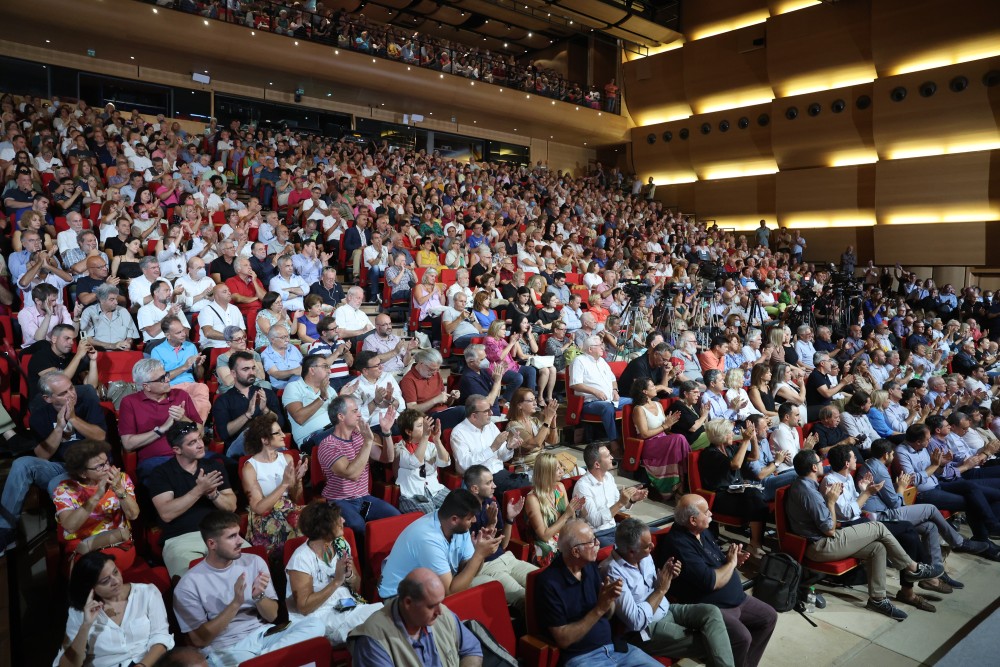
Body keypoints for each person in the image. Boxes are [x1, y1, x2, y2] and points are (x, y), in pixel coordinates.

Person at [785, 449, 942, 621]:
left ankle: (878, 599)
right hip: (820, 545)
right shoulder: (809, 492)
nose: (824, 464)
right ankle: (913, 568)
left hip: (824, 540)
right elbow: (829, 528)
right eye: (820, 462)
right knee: (878, 528)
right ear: (814, 467)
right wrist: (831, 501)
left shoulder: (804, 484)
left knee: (878, 547)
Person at [172, 511, 326, 667]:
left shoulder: (254, 562)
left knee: (315, 625)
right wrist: (235, 604)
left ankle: (262, 661)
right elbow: (199, 640)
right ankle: (274, 661)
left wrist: (259, 597)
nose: (240, 541)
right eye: (232, 537)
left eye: (239, 534)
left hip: (263, 636)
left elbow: (274, 617)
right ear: (212, 544)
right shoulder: (187, 585)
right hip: (228, 649)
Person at [655, 495, 776, 667]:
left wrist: (731, 560)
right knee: (742, 638)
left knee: (768, 617)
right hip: (712, 607)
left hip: (736, 598)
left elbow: (717, 562)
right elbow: (711, 582)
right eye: (706, 512)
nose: (711, 513)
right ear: (693, 520)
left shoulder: (702, 532)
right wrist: (732, 563)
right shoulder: (679, 544)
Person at [0, 371, 107, 555]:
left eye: (71, 388)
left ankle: (74, 534)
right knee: (22, 463)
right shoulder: (39, 416)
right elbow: (42, 455)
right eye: (63, 393)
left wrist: (73, 418)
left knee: (55, 484)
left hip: (90, 467)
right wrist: (59, 427)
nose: (71, 395)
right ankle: (6, 531)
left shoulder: (88, 404)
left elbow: (100, 436)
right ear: (47, 398)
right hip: (59, 466)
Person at [602, 518, 734, 666]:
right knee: (711, 642)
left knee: (711, 612)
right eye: (647, 546)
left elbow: (654, 587)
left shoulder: (643, 556)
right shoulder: (613, 572)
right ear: (632, 551)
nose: (652, 546)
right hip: (647, 630)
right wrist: (661, 589)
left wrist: (667, 576)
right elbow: (636, 622)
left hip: (667, 608)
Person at [535, 518, 661, 667]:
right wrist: (600, 608)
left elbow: (607, 613)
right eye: (591, 542)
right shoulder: (549, 583)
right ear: (576, 551)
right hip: (584, 658)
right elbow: (563, 639)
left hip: (616, 649)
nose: (598, 544)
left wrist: (610, 601)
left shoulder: (589, 567)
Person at [148, 422, 238, 579]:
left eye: (199, 439)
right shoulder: (161, 473)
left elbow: (231, 507)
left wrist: (213, 494)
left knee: (250, 567)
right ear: (177, 450)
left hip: (220, 531)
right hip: (181, 538)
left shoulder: (213, 466)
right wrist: (199, 490)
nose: (200, 445)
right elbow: (166, 513)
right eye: (192, 442)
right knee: (193, 581)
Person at [377, 489, 504, 600]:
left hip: (432, 586)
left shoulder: (459, 527)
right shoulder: (428, 538)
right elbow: (449, 593)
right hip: (400, 597)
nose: (474, 521)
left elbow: (467, 571)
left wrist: (479, 552)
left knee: (491, 588)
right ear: (454, 519)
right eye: (470, 518)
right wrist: (479, 555)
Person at [285, 501, 383, 644]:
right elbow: (304, 607)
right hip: (320, 618)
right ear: (324, 527)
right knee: (374, 629)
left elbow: (357, 587)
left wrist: (349, 575)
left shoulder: (341, 544)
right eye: (338, 519)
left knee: (387, 616)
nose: (343, 520)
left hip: (350, 608)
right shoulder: (301, 558)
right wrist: (337, 581)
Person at [55, 552, 174, 667]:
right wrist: (85, 626)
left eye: (115, 572)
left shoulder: (148, 593)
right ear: (91, 587)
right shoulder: (79, 611)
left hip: (148, 662)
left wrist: (142, 665)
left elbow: (160, 637)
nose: (116, 581)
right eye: (105, 581)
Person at [348, 567, 484, 666]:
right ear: (408, 603)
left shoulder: (442, 614)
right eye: (431, 606)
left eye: (440, 602)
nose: (440, 611)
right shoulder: (374, 641)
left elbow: (472, 650)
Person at [317, 396, 400, 539]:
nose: (359, 414)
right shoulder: (328, 445)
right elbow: (352, 474)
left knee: (395, 518)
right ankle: (360, 560)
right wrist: (368, 441)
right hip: (339, 501)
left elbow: (387, 458)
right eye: (355, 411)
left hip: (363, 497)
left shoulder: (359, 436)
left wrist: (386, 432)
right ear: (341, 416)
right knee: (358, 526)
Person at [53, 440, 140, 570]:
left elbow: (133, 515)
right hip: (83, 549)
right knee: (91, 568)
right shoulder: (65, 489)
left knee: (102, 568)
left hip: (118, 543)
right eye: (99, 466)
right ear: (83, 473)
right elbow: (70, 526)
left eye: (107, 462)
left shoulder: (121, 479)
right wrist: (97, 495)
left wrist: (119, 490)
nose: (107, 468)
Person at [464, 464, 538, 610]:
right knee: (524, 598)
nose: (494, 485)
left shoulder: (492, 503)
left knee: (543, 582)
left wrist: (510, 519)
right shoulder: (464, 514)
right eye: (489, 482)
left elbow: (503, 544)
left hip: (508, 559)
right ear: (474, 489)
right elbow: (473, 554)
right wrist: (491, 524)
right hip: (486, 566)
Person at [118, 358, 203, 482]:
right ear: (146, 386)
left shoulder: (180, 395)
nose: (168, 379)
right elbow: (128, 444)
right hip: (156, 459)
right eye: (162, 379)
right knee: (177, 479)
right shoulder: (129, 402)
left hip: (188, 455)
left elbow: (202, 431)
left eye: (166, 375)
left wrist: (184, 419)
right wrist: (162, 429)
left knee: (221, 465)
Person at [241, 413, 308, 556]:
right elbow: (259, 508)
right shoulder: (250, 467)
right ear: (265, 439)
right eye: (277, 433)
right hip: (266, 516)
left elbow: (295, 498)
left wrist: (299, 479)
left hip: (288, 509)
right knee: (297, 526)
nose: (284, 435)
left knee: (319, 520)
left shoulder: (287, 458)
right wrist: (284, 484)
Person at [450, 394, 529, 496]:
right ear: (474, 416)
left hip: (500, 473)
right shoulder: (459, 433)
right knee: (527, 488)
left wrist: (509, 447)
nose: (491, 413)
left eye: (490, 409)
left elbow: (503, 457)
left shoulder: (490, 426)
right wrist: (492, 448)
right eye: (486, 411)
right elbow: (464, 464)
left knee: (531, 485)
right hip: (481, 481)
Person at [573, 442, 649, 547]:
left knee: (647, 536)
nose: (612, 457)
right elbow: (595, 521)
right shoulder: (582, 487)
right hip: (596, 535)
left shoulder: (609, 477)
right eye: (608, 455)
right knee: (632, 547)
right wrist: (620, 503)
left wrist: (631, 500)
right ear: (597, 464)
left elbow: (617, 506)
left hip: (615, 529)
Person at [211, 351, 286, 457]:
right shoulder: (223, 400)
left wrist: (265, 410)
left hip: (268, 443)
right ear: (233, 373)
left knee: (271, 435)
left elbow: (281, 423)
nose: (251, 372)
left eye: (253, 368)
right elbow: (224, 433)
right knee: (251, 431)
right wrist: (247, 414)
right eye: (245, 369)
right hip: (238, 451)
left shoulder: (266, 393)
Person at [524, 452, 586, 566]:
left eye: (561, 467)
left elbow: (570, 520)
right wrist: (566, 515)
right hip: (545, 544)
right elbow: (544, 535)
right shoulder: (532, 499)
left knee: (586, 541)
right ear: (546, 473)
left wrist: (575, 509)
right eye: (557, 469)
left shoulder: (560, 487)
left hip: (562, 535)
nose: (562, 471)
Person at [631, 377, 688, 496]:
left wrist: (669, 424)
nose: (655, 387)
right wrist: (664, 426)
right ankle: (683, 481)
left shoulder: (658, 404)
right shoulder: (639, 409)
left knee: (679, 438)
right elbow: (644, 434)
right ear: (644, 391)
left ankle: (683, 482)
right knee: (679, 438)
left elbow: (666, 429)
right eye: (652, 386)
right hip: (649, 444)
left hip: (663, 439)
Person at [150, 314, 212, 421]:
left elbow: (199, 375)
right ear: (168, 335)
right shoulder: (157, 351)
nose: (184, 334)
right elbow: (161, 378)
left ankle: (197, 428)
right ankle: (195, 430)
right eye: (179, 332)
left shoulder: (190, 346)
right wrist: (184, 367)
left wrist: (198, 365)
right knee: (187, 405)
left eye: (183, 330)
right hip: (171, 387)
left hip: (191, 385)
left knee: (202, 389)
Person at [571, 335, 631, 442]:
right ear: (590, 349)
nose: (602, 347)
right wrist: (595, 391)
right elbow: (575, 384)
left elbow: (613, 379)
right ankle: (614, 441)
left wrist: (615, 390)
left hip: (611, 399)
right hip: (590, 402)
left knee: (635, 401)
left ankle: (630, 436)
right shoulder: (579, 361)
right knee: (608, 408)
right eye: (599, 345)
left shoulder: (602, 361)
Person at [395, 409, 451, 514]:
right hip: (412, 495)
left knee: (458, 504)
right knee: (430, 512)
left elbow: (444, 463)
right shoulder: (400, 448)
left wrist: (437, 440)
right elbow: (415, 462)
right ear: (409, 431)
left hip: (435, 490)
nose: (427, 428)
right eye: (421, 426)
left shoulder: (431, 445)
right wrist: (425, 436)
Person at [400, 348, 466, 430]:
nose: (434, 373)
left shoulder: (436, 375)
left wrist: (451, 397)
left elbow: (446, 403)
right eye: (431, 369)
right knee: (463, 411)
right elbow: (412, 409)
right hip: (427, 418)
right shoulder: (408, 380)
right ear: (421, 363)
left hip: (443, 412)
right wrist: (435, 400)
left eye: (437, 369)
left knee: (472, 408)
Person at [79, 283, 140, 350]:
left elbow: (130, 336)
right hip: (98, 353)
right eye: (112, 299)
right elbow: (86, 339)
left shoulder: (123, 311)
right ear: (101, 300)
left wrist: (128, 344)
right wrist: (113, 346)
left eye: (116, 299)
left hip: (121, 352)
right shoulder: (88, 312)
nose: (116, 302)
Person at [260, 324, 303, 390]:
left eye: (288, 336)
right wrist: (294, 371)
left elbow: (304, 364)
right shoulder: (266, 354)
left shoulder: (292, 348)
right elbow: (275, 374)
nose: (287, 340)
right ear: (272, 340)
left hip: (301, 382)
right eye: (283, 337)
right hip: (283, 386)